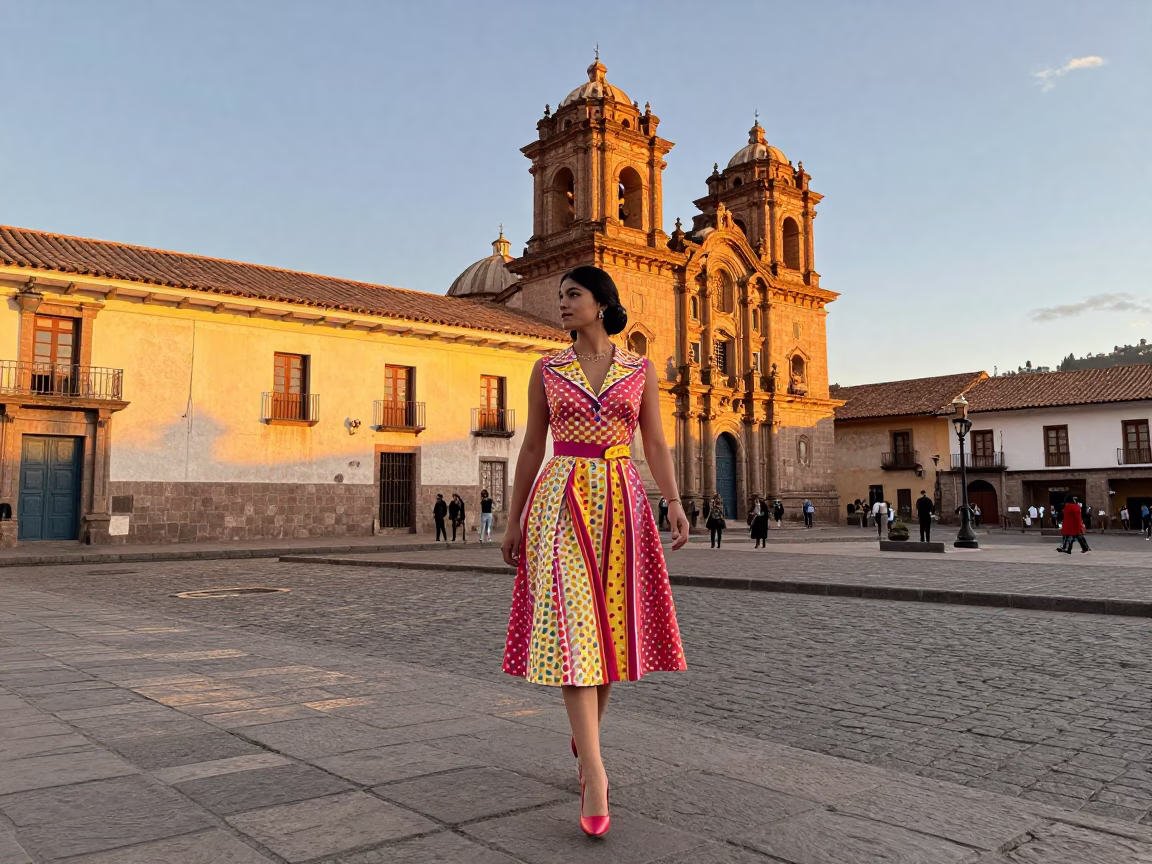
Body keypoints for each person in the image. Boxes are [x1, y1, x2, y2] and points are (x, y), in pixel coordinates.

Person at [500, 265, 687, 838]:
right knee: (571, 627)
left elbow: (653, 440)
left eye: (572, 295)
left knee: (605, 629)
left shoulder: (639, 368)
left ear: (602, 303)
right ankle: (596, 772)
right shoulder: (546, 368)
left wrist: (675, 503)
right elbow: (533, 444)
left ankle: (585, 744)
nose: (561, 304)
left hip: (622, 503)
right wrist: (514, 518)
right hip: (560, 500)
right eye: (559, 296)